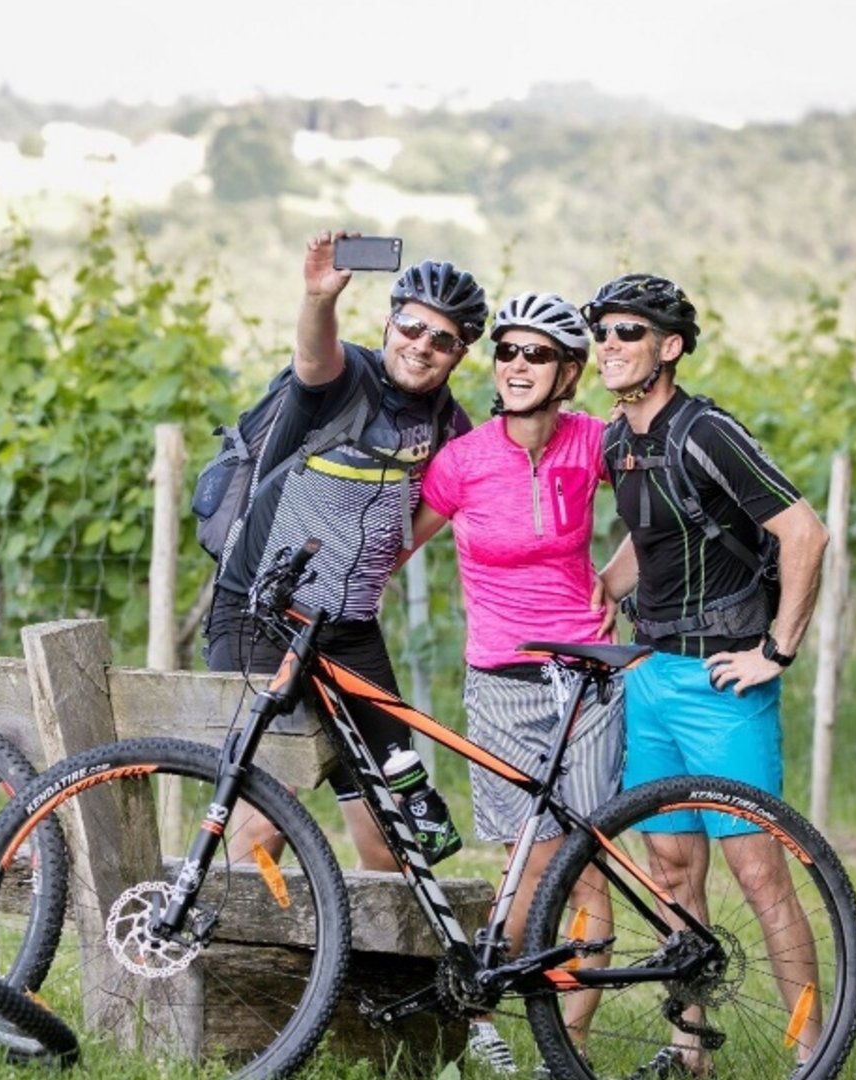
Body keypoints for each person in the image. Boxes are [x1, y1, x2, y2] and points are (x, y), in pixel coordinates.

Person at [586, 273, 830, 1075]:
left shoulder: (706, 431)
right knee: (670, 868)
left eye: (629, 332)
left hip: (725, 684)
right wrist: (606, 587)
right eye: (603, 332)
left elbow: (805, 533)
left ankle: (808, 1053)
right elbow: (651, 534)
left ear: (671, 347)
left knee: (759, 874)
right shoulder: (618, 439)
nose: (610, 346)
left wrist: (777, 651)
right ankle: (688, 1048)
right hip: (650, 676)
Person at [205, 230, 487, 872]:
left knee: (395, 829)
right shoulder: (345, 377)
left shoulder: (448, 423)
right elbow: (313, 357)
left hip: (350, 629)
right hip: (260, 614)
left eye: (442, 339)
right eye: (413, 327)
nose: (422, 346)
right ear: (390, 323)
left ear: (460, 353)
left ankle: (369, 971)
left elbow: (432, 511)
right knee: (264, 815)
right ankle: (248, 964)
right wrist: (318, 299)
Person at [410, 291, 623, 1073]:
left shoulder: (596, 443)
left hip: (585, 678)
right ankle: (487, 1016)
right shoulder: (462, 462)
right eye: (507, 351)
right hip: (499, 680)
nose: (517, 365)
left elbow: (663, 510)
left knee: (586, 862)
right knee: (525, 865)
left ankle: (567, 1049)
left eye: (537, 354)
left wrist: (618, 576)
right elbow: (395, 547)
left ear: (569, 371)